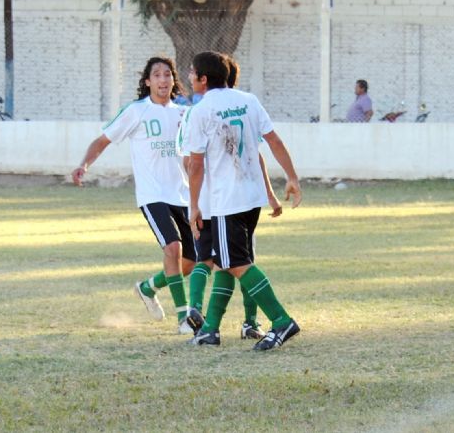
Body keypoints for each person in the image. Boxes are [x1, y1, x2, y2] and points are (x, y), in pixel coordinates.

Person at [182, 51, 302, 350]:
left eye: (191, 72)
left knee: (237, 264)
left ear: (203, 79)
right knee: (225, 263)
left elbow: (195, 165)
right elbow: (273, 141)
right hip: (251, 197)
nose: (189, 77)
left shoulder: (200, 111)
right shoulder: (248, 100)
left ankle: (281, 320)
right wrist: (292, 177)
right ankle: (210, 330)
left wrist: (194, 205)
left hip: (227, 199)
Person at [72, 56, 195, 333]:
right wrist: (84, 164)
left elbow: (190, 156)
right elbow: (102, 140)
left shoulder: (183, 114)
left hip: (182, 195)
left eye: (168, 75)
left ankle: (147, 288)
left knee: (190, 262)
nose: (163, 80)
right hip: (153, 195)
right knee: (172, 248)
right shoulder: (136, 111)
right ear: (148, 81)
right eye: (157, 75)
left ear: (173, 80)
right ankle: (183, 319)